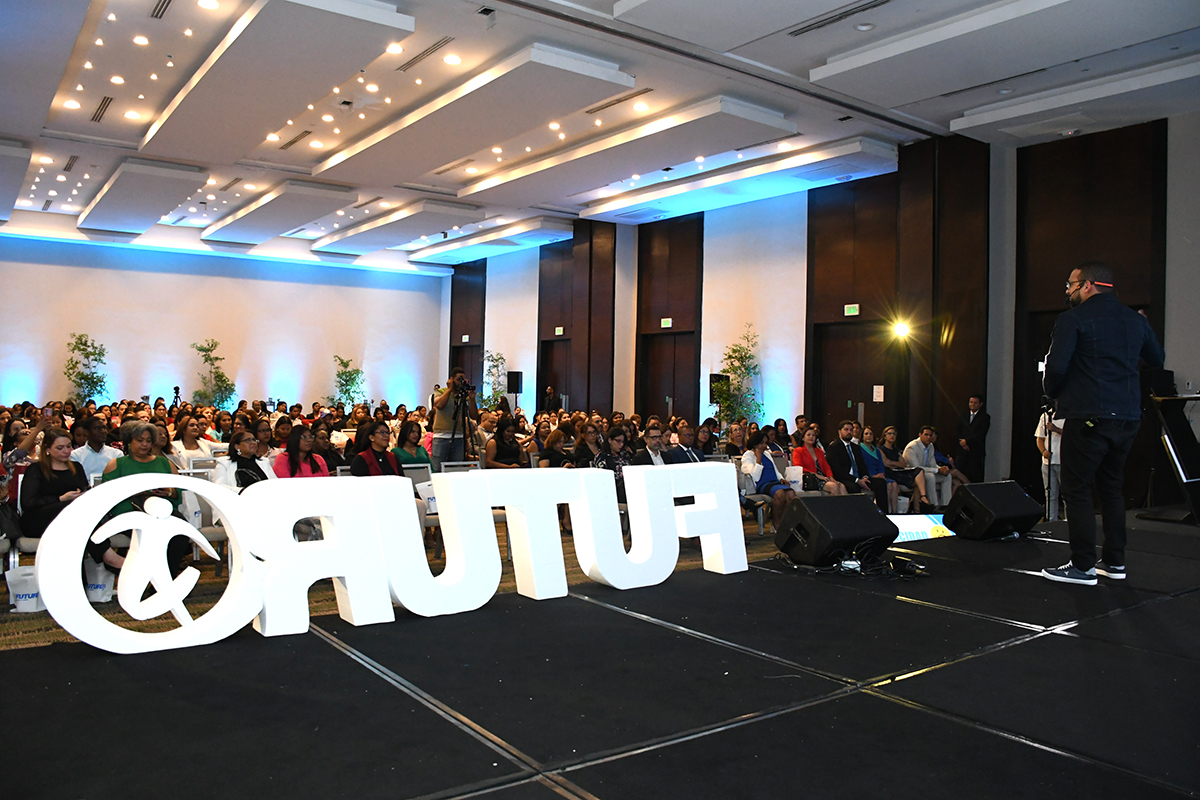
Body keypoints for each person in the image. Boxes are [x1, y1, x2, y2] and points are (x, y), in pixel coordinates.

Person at [1041, 263, 1164, 585]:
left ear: (1087, 285)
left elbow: (1056, 367)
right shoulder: (1136, 320)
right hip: (1127, 418)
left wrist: (1053, 394)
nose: (1067, 290)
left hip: (1089, 415)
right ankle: (1114, 562)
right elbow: (1157, 359)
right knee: (1111, 488)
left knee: (1077, 489)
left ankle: (1082, 566)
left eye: (1070, 284)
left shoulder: (1073, 319)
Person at [101, 422, 185, 574]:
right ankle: (147, 576)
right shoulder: (116, 464)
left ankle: (165, 578)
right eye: (140, 440)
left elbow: (178, 494)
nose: (145, 444)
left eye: (148, 440)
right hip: (130, 513)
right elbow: (107, 496)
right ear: (129, 441)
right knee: (150, 533)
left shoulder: (165, 463)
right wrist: (134, 491)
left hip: (161, 511)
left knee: (180, 532)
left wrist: (168, 492)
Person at [19, 428, 89, 539]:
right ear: (47, 449)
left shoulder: (77, 467)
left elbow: (84, 488)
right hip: (39, 519)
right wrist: (60, 498)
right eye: (60, 448)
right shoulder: (36, 469)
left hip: (72, 517)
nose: (66, 451)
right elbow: (28, 503)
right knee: (72, 509)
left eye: (68, 446)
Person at [826, 420, 888, 508]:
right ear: (839, 432)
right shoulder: (834, 447)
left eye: (851, 430)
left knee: (881, 483)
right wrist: (857, 480)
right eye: (846, 430)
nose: (849, 432)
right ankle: (859, 513)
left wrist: (865, 477)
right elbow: (837, 471)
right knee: (854, 487)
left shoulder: (855, 447)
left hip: (859, 478)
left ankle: (882, 513)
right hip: (846, 478)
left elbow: (862, 466)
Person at [742, 431, 795, 527]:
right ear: (755, 443)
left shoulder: (767, 454)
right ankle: (775, 521)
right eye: (761, 443)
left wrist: (781, 478)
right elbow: (755, 477)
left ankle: (781, 520)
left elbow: (775, 469)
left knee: (791, 494)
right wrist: (758, 459)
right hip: (762, 483)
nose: (764, 446)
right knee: (780, 493)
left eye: (765, 443)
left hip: (774, 482)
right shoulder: (748, 455)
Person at [430, 368, 479, 468]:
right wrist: (449, 389)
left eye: (463, 380)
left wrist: (472, 399)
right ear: (451, 380)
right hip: (441, 436)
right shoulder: (441, 391)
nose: (461, 382)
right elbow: (439, 405)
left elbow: (474, 415)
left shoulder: (463, 395)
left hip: (459, 437)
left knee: (456, 469)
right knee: (437, 467)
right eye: (458, 379)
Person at [904, 426, 952, 507]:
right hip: (913, 475)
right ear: (920, 435)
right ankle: (934, 505)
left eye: (930, 435)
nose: (929, 437)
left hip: (926, 472)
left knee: (947, 476)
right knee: (930, 476)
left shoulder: (930, 446)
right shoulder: (912, 447)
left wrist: (941, 469)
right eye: (926, 435)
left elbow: (932, 464)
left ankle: (946, 505)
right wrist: (937, 470)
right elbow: (916, 468)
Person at [791, 426, 845, 495]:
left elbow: (826, 466)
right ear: (803, 438)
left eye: (813, 435)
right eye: (808, 435)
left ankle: (846, 502)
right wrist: (816, 475)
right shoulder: (798, 451)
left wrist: (830, 477)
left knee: (841, 486)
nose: (811, 437)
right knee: (834, 486)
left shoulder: (819, 451)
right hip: (810, 479)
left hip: (823, 477)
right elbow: (798, 467)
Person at [71, 415, 121, 483]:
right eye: (97, 428)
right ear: (86, 432)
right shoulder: (76, 455)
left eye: (104, 428)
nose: (103, 431)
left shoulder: (117, 454)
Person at [1036, 405, 1065, 522]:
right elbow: (1040, 438)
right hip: (1048, 462)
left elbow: (1073, 436)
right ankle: (1051, 521)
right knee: (1050, 495)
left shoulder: (1069, 416)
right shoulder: (1045, 416)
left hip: (1063, 461)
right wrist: (1043, 451)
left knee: (1067, 495)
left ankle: (1069, 522)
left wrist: (1056, 429)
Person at [860, 426, 899, 513]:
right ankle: (885, 512)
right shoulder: (859, 449)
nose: (869, 436)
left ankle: (894, 512)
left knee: (894, 484)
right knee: (888, 485)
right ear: (862, 436)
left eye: (871, 434)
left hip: (880, 475)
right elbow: (862, 466)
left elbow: (881, 464)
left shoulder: (877, 450)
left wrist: (881, 474)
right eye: (866, 434)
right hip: (869, 476)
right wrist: (874, 475)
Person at [592, 425, 632, 503]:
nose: (621, 444)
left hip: (628, 488)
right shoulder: (602, 457)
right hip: (612, 491)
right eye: (618, 441)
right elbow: (603, 479)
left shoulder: (625, 455)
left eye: (623, 442)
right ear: (610, 440)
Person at [955, 395, 990, 483]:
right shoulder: (964, 415)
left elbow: (981, 434)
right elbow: (958, 430)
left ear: (980, 404)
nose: (972, 404)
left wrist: (967, 441)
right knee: (959, 472)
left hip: (975, 450)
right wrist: (962, 442)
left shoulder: (985, 417)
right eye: (971, 402)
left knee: (974, 475)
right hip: (962, 450)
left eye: (975, 403)